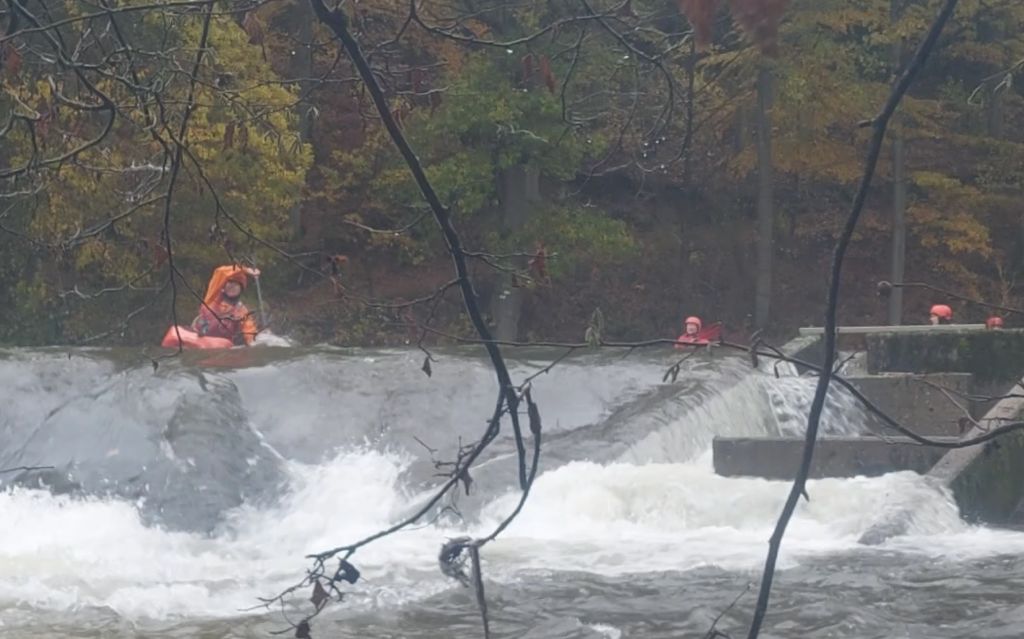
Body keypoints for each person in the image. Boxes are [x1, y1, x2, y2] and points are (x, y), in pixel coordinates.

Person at [191, 264, 260, 345]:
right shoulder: (212, 297)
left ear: (241, 289)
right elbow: (221, 272)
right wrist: (245, 270)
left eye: (237, 284)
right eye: (230, 282)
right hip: (200, 340)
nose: (232, 286)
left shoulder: (241, 311)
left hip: (221, 346)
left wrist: (252, 341)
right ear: (224, 285)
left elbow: (249, 330)